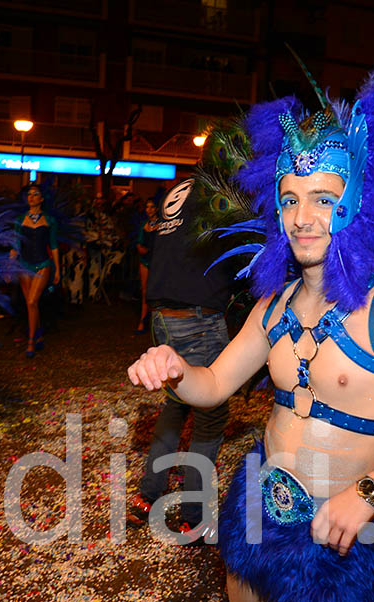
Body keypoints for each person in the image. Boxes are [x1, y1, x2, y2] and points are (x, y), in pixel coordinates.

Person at [128, 82, 374, 600]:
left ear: (357, 205)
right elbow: (212, 386)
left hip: (338, 534)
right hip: (255, 508)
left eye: (324, 199)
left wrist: (371, 492)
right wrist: (176, 369)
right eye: (290, 200)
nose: (303, 218)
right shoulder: (272, 305)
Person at [126, 178, 236, 543]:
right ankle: (194, 515)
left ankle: (147, 495)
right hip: (198, 321)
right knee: (209, 415)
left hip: (164, 316)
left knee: (175, 408)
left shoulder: (180, 188)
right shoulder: (221, 187)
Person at [9, 184, 60, 357]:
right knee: (32, 304)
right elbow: (15, 245)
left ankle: (30, 341)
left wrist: (58, 270)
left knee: (31, 301)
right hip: (24, 264)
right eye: (29, 194)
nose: (31, 197)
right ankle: (38, 336)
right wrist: (9, 266)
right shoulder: (19, 220)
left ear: (42, 198)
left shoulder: (50, 220)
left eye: (35, 194)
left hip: (43, 264)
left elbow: (53, 246)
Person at [134, 198, 159, 333]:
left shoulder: (161, 225)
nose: (149, 210)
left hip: (157, 261)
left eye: (152, 207)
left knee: (155, 291)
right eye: (147, 207)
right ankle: (143, 320)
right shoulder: (144, 225)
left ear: (156, 208)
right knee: (145, 291)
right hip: (145, 260)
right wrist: (140, 247)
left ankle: (154, 322)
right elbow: (138, 242)